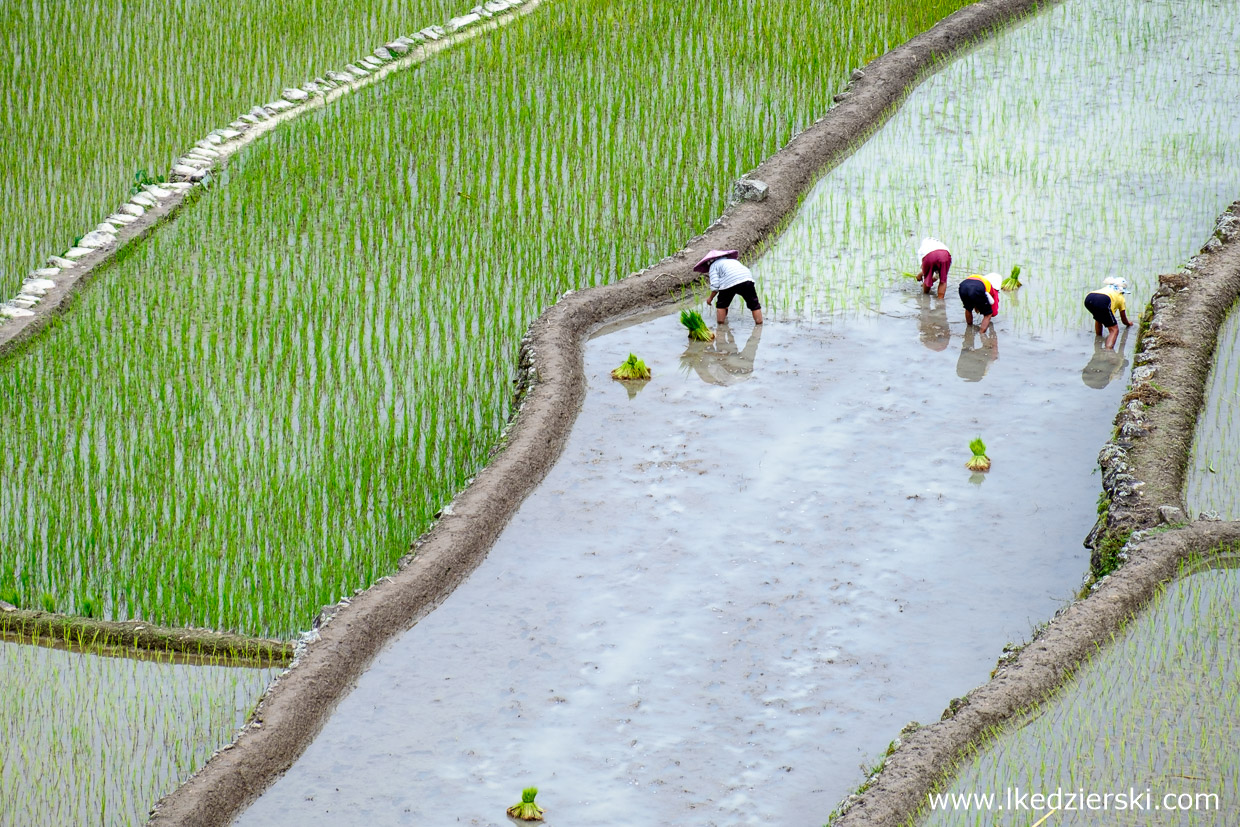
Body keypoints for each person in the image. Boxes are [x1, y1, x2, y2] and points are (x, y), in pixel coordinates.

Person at [694, 249, 763, 325]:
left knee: (721, 305)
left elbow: (715, 285)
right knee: (754, 304)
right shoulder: (733, 261)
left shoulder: (713, 266)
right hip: (747, 279)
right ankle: (759, 324)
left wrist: (710, 298)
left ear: (709, 262)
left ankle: (720, 327)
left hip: (729, 282)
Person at [1084, 277, 1133, 350]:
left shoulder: (1107, 289)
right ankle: (1108, 351)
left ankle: (1098, 340)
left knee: (1099, 318)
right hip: (1103, 300)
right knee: (1114, 329)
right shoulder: (1120, 298)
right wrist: (1128, 324)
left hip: (1089, 297)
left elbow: (1103, 316)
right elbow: (1123, 318)